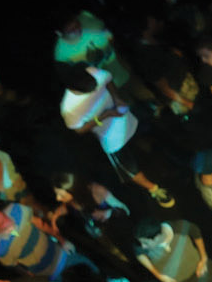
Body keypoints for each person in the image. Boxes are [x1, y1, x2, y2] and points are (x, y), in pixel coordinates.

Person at [59, 64, 174, 208]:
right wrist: (105, 115)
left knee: (146, 135)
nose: (95, 88)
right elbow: (79, 130)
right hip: (110, 138)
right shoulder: (69, 109)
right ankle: (154, 189)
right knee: (129, 168)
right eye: (90, 87)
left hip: (125, 117)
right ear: (74, 88)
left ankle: (166, 161)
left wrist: (117, 98)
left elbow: (107, 81)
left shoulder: (91, 71)